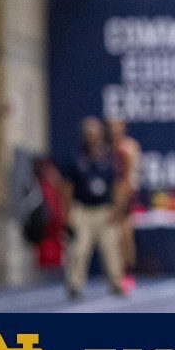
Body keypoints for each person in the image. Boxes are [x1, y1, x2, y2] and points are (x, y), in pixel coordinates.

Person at [61, 117, 126, 300]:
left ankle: (116, 283)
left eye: (95, 133)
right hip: (83, 210)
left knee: (111, 249)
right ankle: (74, 285)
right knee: (79, 250)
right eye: (88, 134)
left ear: (101, 135)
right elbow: (66, 189)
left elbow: (118, 186)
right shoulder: (75, 159)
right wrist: (67, 215)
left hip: (104, 210)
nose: (92, 137)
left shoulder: (108, 159)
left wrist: (117, 209)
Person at [107, 118, 141, 294]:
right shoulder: (105, 149)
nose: (115, 130)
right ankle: (115, 275)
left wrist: (121, 204)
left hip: (125, 201)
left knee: (125, 239)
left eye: (118, 126)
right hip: (107, 201)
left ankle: (127, 273)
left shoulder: (129, 148)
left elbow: (131, 179)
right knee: (112, 242)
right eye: (112, 126)